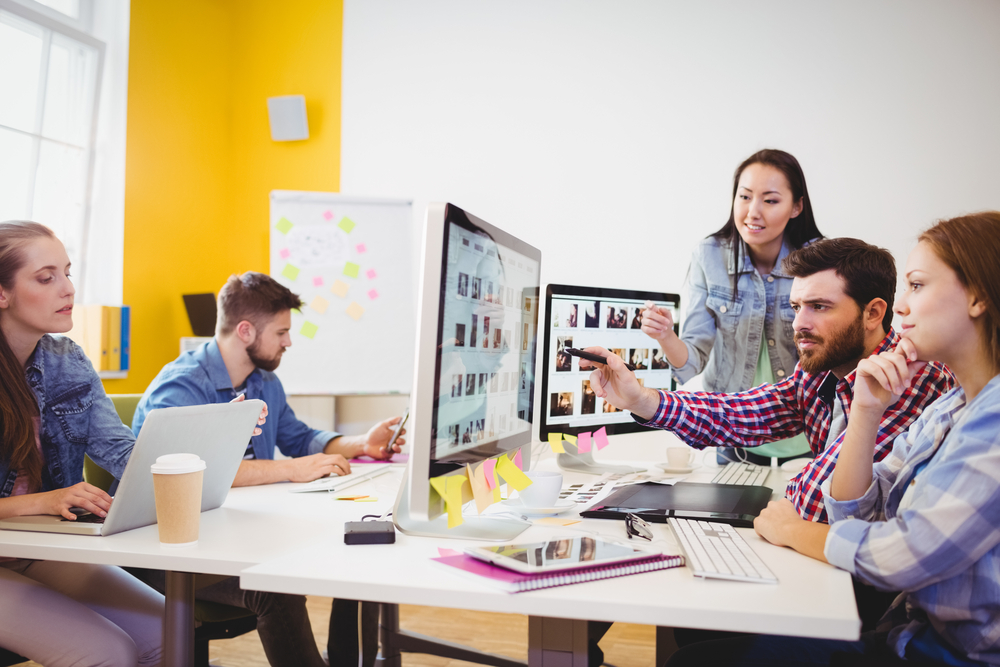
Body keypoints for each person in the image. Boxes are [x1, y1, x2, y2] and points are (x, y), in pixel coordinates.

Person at [582, 238, 955, 648]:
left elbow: (819, 504)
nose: (799, 323)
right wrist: (642, 400)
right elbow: (740, 413)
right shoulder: (821, 369)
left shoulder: (915, 378)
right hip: (824, 566)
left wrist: (790, 506)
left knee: (697, 630)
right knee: (688, 615)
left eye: (820, 307)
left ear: (873, 312)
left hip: (863, 594)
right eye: (796, 307)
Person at [668, 212, 1000, 666]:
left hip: (944, 653)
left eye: (918, 286)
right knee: (693, 629)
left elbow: (898, 553)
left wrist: (792, 527)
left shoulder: (977, 410)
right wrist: (865, 411)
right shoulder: (955, 406)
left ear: (979, 296)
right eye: (795, 307)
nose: (904, 306)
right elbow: (857, 510)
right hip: (908, 634)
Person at [131, 271, 406, 667]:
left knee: (355, 543)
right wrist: (290, 470)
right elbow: (192, 475)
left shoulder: (264, 382)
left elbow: (301, 438)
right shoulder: (180, 389)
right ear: (245, 331)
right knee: (274, 589)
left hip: (232, 531)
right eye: (281, 332)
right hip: (171, 552)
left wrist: (364, 444)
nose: (288, 341)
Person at [0, 220, 165, 667]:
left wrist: (191, 452)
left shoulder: (66, 360)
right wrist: (45, 501)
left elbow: (120, 452)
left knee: (168, 634)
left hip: (38, 550)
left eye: (68, 272)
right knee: (106, 652)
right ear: (2, 293)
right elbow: (46, 501)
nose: (67, 288)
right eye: (46, 277)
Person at [641, 149, 822, 465]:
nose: (753, 212)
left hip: (805, 442)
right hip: (735, 443)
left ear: (797, 207)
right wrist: (666, 335)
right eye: (745, 196)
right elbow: (690, 363)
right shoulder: (708, 256)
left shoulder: (819, 261)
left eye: (770, 200)